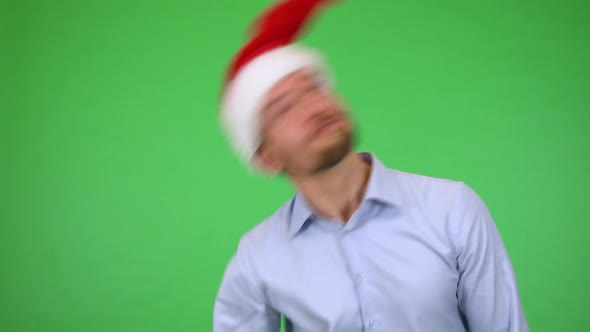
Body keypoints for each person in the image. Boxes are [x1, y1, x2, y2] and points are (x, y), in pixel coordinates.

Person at [213, 0, 529, 331]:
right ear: (266, 157)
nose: (314, 107)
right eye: (284, 108)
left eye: (314, 88)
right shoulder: (257, 258)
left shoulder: (452, 209)